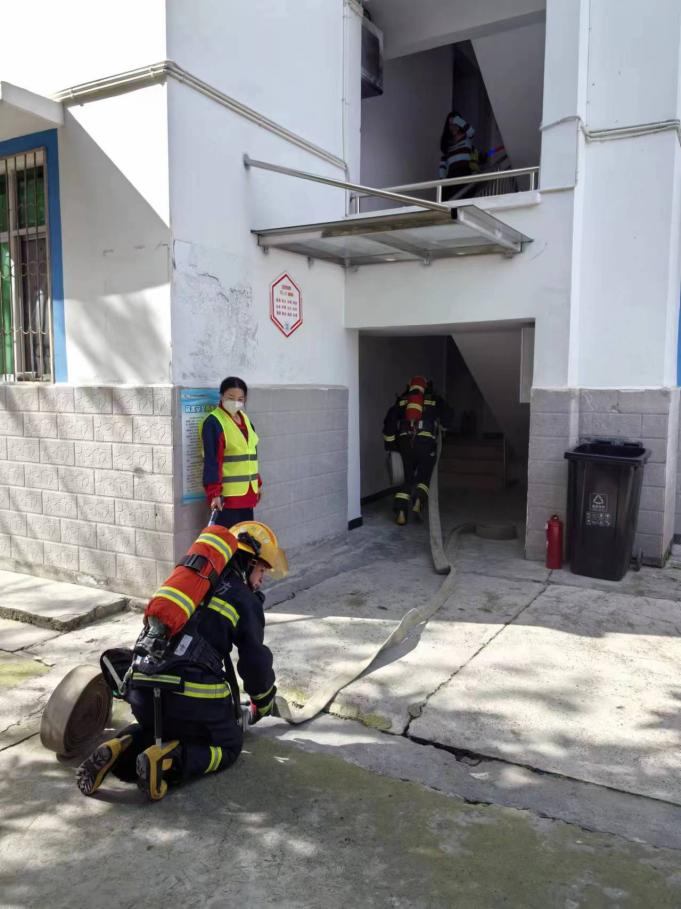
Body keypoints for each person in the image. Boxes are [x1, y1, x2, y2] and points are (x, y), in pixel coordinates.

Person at [75, 522, 287, 801]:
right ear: (248, 563)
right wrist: (264, 701)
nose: (261, 581)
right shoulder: (244, 598)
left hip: (141, 687)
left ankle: (116, 747)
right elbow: (255, 663)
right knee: (229, 745)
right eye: (261, 571)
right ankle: (169, 763)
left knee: (157, 729)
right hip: (191, 697)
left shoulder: (190, 585)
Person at [382, 376, 453, 525]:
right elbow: (448, 418)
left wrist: (391, 445)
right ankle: (418, 501)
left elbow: (389, 424)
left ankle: (401, 511)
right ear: (426, 387)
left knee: (406, 477)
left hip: (405, 442)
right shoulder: (434, 399)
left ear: (409, 386)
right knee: (424, 475)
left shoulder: (402, 401)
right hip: (426, 443)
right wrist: (444, 427)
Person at [201, 376, 261, 528]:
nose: (236, 402)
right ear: (221, 396)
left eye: (240, 399)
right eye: (231, 397)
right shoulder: (213, 422)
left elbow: (251, 456)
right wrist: (214, 494)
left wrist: (258, 483)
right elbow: (212, 461)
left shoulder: (246, 421)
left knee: (245, 538)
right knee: (227, 538)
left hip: (248, 494)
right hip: (227, 498)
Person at [438, 111, 479, 201]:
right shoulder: (448, 144)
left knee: (460, 199)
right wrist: (441, 180)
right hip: (452, 177)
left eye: (455, 124)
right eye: (450, 125)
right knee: (448, 201)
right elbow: (443, 164)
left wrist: (457, 120)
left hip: (465, 173)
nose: (453, 127)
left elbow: (472, 131)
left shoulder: (466, 137)